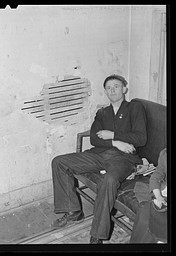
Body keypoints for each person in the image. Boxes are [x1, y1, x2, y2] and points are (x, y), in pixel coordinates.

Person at [51, 74, 147, 244]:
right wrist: (116, 141)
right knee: (59, 162)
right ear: (105, 92)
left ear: (124, 88)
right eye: (109, 88)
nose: (113, 90)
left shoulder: (135, 108)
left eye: (116, 86)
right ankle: (74, 211)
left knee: (109, 180)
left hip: (124, 158)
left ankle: (97, 235)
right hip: (98, 154)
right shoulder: (102, 112)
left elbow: (140, 138)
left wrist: (112, 134)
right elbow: (95, 138)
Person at [130, 148, 167, 243]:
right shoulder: (164, 153)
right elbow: (156, 175)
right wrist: (159, 197)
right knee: (144, 217)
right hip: (163, 193)